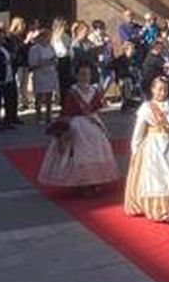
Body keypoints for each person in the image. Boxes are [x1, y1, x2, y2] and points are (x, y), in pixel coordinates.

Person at [123, 75, 169, 221]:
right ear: (152, 90)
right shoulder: (146, 108)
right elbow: (138, 131)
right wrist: (135, 150)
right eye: (159, 89)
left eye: (165, 90)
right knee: (156, 176)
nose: (162, 93)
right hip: (153, 145)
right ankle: (158, 208)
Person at [38, 64, 120, 192]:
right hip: (76, 123)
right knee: (80, 152)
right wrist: (63, 130)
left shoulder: (94, 90)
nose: (85, 77)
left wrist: (94, 115)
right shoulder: (72, 91)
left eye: (87, 74)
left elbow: (97, 107)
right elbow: (66, 111)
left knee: (98, 146)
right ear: (76, 76)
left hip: (92, 121)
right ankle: (81, 182)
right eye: (82, 74)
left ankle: (95, 179)